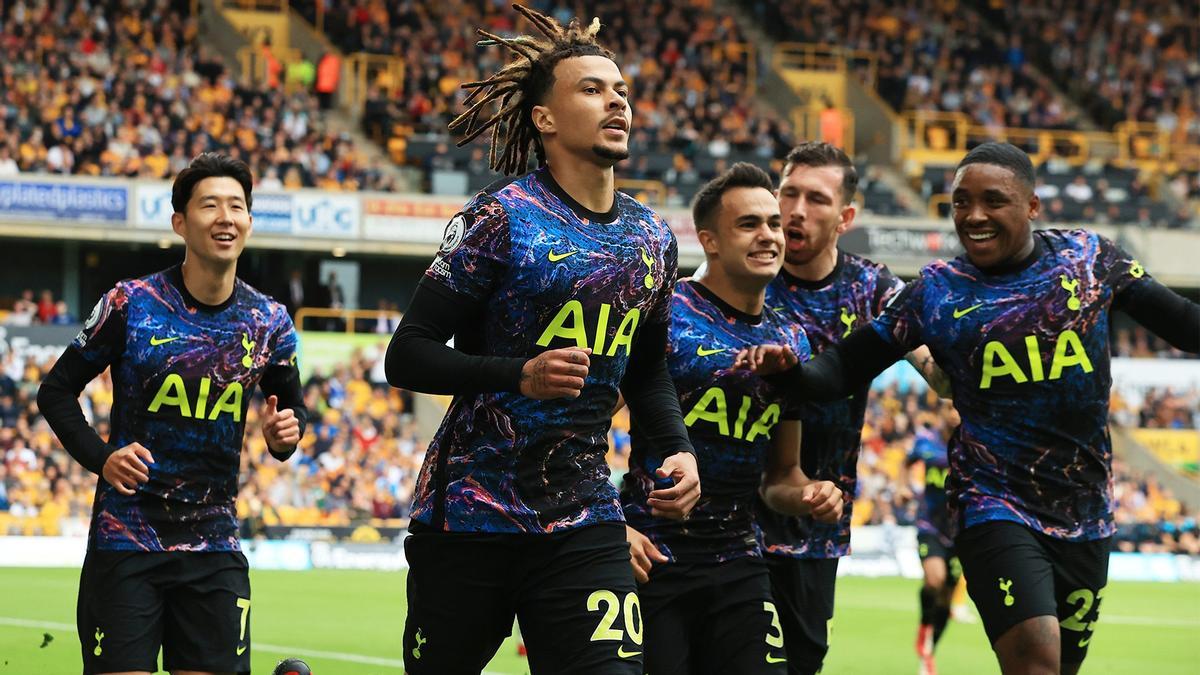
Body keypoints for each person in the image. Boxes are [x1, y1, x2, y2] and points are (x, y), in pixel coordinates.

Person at [739, 142, 1200, 675]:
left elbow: (1185, 325)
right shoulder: (937, 291)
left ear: (1032, 205)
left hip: (1085, 510)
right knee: (1036, 660)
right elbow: (843, 366)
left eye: (992, 201)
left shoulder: (1090, 260)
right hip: (990, 500)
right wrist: (790, 372)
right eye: (961, 202)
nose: (974, 215)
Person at [384, 6, 701, 673]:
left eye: (620, 91)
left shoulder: (652, 239)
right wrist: (519, 374)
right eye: (592, 89)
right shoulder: (500, 217)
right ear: (544, 118)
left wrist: (677, 447)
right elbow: (407, 353)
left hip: (584, 515)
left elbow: (646, 370)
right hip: (470, 514)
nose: (616, 101)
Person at [37, 153, 307, 675]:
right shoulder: (130, 303)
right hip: (126, 540)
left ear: (250, 221)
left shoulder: (270, 321)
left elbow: (290, 413)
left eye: (236, 206)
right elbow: (55, 392)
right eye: (210, 205)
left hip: (214, 545)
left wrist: (285, 436)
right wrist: (103, 458)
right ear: (179, 222)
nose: (225, 218)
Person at [621, 163, 843, 674]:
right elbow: (583, 427)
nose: (769, 235)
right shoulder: (665, 315)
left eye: (773, 223)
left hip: (740, 563)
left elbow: (780, 477)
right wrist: (613, 528)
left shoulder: (791, 340)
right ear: (710, 241)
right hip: (653, 560)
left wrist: (810, 494)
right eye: (749, 224)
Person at [755, 142, 949, 675]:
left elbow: (938, 372)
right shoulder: (741, 271)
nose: (796, 210)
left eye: (816, 199)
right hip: (720, 520)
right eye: (788, 193)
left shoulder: (873, 289)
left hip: (812, 527)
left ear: (845, 218)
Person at [905, 403, 962, 675]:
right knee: (934, 580)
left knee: (947, 599)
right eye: (950, 407)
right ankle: (924, 626)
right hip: (930, 524)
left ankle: (930, 650)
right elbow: (907, 463)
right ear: (941, 411)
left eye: (958, 408)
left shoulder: (972, 444)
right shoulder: (926, 441)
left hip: (960, 532)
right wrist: (904, 487)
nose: (954, 413)